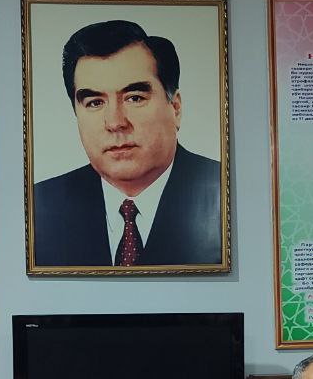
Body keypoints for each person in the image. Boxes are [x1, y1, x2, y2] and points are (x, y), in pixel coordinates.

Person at [31, 19, 222, 268]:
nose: (115, 122)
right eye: (95, 103)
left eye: (134, 98)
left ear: (175, 108)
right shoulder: (39, 208)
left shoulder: (225, 191)